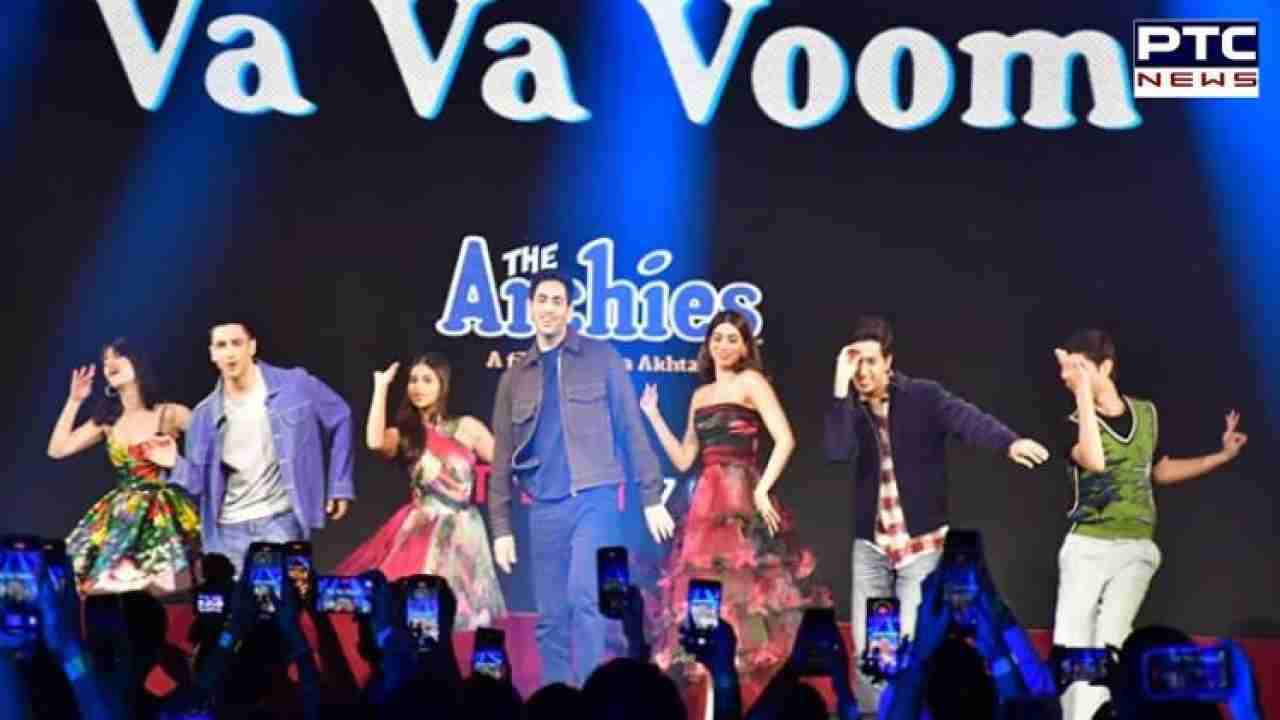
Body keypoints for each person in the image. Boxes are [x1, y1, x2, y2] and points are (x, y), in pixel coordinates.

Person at [823, 315, 1050, 716]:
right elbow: (838, 452)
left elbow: (968, 420)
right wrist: (840, 390)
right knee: (871, 654)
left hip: (921, 546)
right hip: (872, 548)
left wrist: (1009, 444)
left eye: (871, 361)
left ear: (889, 362)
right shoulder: (851, 412)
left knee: (915, 649)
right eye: (855, 362)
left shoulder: (922, 397)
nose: (862, 371)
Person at [488, 270, 675, 687]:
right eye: (542, 300)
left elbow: (630, 427)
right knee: (550, 615)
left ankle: (590, 697)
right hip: (544, 506)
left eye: (558, 301)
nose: (549, 308)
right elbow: (501, 456)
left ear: (570, 310)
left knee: (585, 599)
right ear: (529, 308)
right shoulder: (514, 378)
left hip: (595, 498)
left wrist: (651, 495)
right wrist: (500, 527)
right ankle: (558, 700)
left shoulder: (601, 357)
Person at [1051, 330, 1248, 720]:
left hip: (1137, 546)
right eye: (1069, 369)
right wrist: (1083, 397)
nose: (1070, 376)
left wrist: (1221, 456)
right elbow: (1094, 459)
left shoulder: (1146, 414)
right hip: (1088, 543)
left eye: (1081, 367)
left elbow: (1159, 471)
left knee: (1112, 638)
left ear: (1105, 367)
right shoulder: (1073, 422)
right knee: (1073, 643)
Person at [641, 309, 832, 712]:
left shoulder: (752, 383)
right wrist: (653, 416)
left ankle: (748, 704)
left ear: (745, 347)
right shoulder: (700, 395)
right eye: (717, 338)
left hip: (741, 499)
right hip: (705, 506)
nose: (724, 345)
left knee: (748, 607)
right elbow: (684, 458)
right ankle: (714, 705)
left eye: (732, 338)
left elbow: (785, 438)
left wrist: (762, 489)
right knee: (706, 606)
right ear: (708, 345)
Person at [144, 320, 354, 576]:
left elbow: (340, 416)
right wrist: (174, 462)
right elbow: (200, 486)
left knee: (279, 597)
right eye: (221, 345)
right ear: (212, 354)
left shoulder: (294, 385)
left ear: (252, 347)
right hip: (228, 530)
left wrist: (339, 484)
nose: (229, 353)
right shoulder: (203, 415)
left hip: (280, 519)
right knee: (235, 602)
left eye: (236, 343)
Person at [336, 352, 506, 630]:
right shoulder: (406, 434)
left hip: (463, 533)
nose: (418, 387)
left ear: (443, 384)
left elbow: (505, 464)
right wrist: (381, 387)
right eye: (413, 380)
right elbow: (375, 442)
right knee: (416, 615)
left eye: (427, 380)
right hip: (421, 530)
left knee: (462, 617)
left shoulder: (468, 427)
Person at [47, 338, 201, 595]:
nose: (109, 363)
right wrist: (74, 401)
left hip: (163, 512)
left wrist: (177, 462)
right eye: (105, 359)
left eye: (118, 355)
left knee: (166, 590)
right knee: (97, 586)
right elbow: (57, 449)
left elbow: (215, 449)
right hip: (121, 515)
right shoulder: (107, 421)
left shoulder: (170, 413)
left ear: (138, 363)